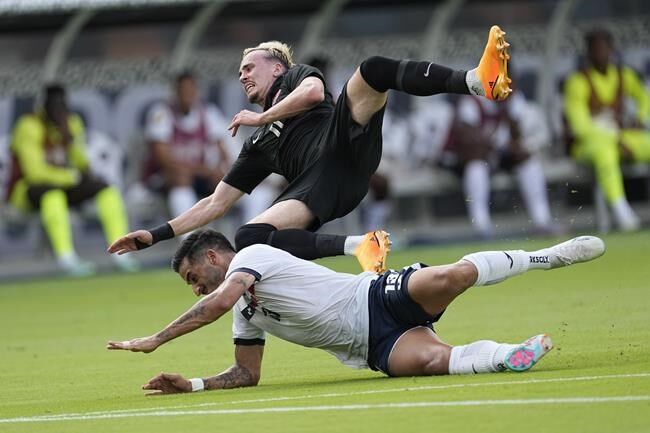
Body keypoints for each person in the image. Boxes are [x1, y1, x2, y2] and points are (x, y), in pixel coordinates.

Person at [108, 26, 513, 273]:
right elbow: (215, 203)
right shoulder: (257, 145)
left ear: (277, 67)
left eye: (250, 67)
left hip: (344, 143)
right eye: (240, 73)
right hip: (323, 186)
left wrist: (261, 117)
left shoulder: (296, 78)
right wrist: (153, 235)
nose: (243, 75)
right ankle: (359, 245)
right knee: (251, 236)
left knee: (372, 70)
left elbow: (315, 93)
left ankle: (478, 80)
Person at [107, 229, 604, 394]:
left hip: (374, 296)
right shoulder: (247, 312)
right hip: (373, 346)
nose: (196, 290)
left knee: (450, 278)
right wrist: (192, 384)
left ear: (215, 258)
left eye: (194, 278)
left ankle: (546, 257)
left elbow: (214, 304)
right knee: (435, 361)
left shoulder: (250, 258)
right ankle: (509, 355)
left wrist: (155, 339)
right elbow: (245, 373)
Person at [6, 84, 137, 276]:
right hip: (27, 190)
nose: (58, 110)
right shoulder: (28, 126)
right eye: (53, 106)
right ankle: (66, 258)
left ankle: (122, 252)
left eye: (62, 105)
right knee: (53, 195)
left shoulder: (71, 122)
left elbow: (81, 163)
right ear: (44, 106)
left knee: (106, 190)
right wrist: (70, 177)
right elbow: (33, 172)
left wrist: (70, 140)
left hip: (66, 185)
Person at [563, 28, 650, 231]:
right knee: (605, 152)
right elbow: (580, 126)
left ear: (611, 49)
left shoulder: (624, 75)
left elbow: (644, 98)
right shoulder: (577, 81)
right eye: (595, 49)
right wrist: (616, 138)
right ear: (588, 52)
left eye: (604, 48)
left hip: (622, 138)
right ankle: (622, 212)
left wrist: (640, 119)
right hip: (588, 145)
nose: (600, 53)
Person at [441, 90, 554, 238]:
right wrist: (502, 147)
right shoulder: (472, 101)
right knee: (477, 166)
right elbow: (470, 146)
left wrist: (512, 118)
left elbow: (516, 137)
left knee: (528, 161)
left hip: (494, 155)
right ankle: (481, 227)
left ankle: (542, 221)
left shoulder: (513, 100)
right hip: (460, 159)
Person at [144, 71, 232, 220]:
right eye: (183, 90)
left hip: (201, 175)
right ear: (175, 92)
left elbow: (223, 152)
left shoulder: (209, 113)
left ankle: (221, 234)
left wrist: (219, 170)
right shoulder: (161, 114)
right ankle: (186, 237)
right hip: (165, 177)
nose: (187, 94)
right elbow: (163, 159)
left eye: (191, 89)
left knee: (224, 180)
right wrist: (201, 170)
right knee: (181, 175)